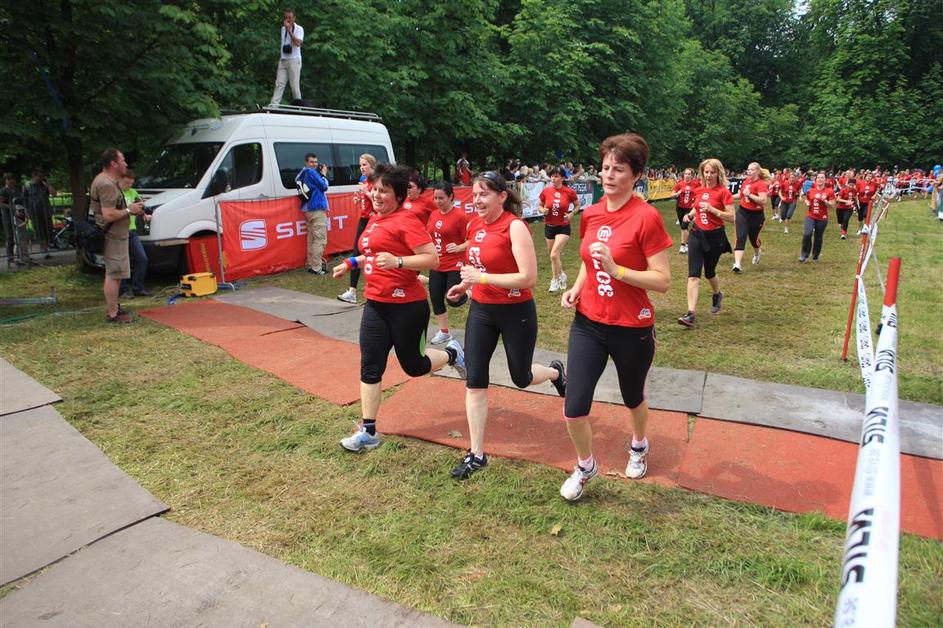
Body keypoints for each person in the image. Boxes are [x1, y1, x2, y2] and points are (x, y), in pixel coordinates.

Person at [558, 133, 673, 501]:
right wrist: (578, 286)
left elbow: (663, 281)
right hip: (588, 323)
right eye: (605, 167)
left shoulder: (646, 217)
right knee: (574, 407)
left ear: (636, 175)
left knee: (632, 397)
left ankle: (639, 444)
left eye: (618, 169)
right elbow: (588, 260)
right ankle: (585, 465)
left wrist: (617, 270)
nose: (608, 175)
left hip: (631, 327)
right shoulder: (591, 213)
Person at [332, 163, 465, 452]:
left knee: (414, 366)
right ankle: (368, 431)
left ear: (399, 195)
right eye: (374, 189)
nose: (376, 195)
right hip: (375, 304)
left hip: (407, 307)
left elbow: (432, 259)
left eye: (384, 191)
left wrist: (399, 262)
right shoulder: (374, 219)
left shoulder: (407, 221)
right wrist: (351, 263)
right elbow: (372, 253)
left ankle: (452, 353)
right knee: (370, 365)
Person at [444, 171, 565, 480]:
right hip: (482, 311)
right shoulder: (474, 226)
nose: (477, 200)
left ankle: (555, 373)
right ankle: (476, 453)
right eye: (474, 194)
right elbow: (478, 266)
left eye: (484, 194)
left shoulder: (515, 227)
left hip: (516, 312)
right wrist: (466, 287)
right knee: (475, 381)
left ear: (501, 196)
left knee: (521, 377)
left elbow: (528, 278)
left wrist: (481, 279)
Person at [677, 158, 735, 329]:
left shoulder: (723, 192)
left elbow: (732, 217)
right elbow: (697, 207)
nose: (709, 175)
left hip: (715, 237)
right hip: (697, 234)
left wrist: (713, 210)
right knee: (694, 275)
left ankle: (717, 294)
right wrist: (690, 215)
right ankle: (690, 314)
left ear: (718, 173)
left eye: (712, 172)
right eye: (706, 172)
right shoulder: (699, 189)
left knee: (709, 272)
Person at [91, 148, 147, 323]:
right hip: (112, 235)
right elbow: (108, 214)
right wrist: (130, 210)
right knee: (114, 274)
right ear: (113, 163)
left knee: (116, 274)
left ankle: (114, 307)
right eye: (122, 160)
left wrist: (133, 210)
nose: (125, 163)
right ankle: (113, 313)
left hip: (117, 234)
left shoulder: (108, 181)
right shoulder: (106, 184)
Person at [426, 181, 470, 344]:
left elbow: (472, 240)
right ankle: (444, 332)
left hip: (455, 263)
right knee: (436, 298)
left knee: (452, 299)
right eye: (435, 198)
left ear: (451, 197)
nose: (438, 201)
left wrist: (459, 247)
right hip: (437, 263)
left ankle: (470, 293)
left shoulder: (460, 216)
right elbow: (429, 235)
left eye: (441, 198)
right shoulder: (433, 214)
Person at [338, 154, 376, 304]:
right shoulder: (363, 180)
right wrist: (359, 199)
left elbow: (380, 201)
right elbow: (365, 201)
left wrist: (367, 193)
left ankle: (378, 290)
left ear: (372, 166)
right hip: (363, 219)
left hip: (375, 221)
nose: (361, 167)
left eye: (365, 164)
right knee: (356, 252)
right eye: (360, 165)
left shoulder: (378, 181)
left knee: (375, 254)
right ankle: (352, 292)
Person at [538, 167, 580, 293]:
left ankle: (555, 281)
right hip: (549, 226)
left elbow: (577, 205)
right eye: (552, 176)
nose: (553, 178)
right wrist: (542, 210)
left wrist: (572, 214)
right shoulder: (546, 191)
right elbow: (539, 205)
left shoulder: (569, 192)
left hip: (563, 226)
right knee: (554, 257)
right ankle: (562, 275)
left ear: (562, 177)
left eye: (556, 176)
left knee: (554, 255)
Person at [118, 170, 151, 297]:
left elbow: (141, 208)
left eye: (131, 183)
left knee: (142, 258)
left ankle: (138, 287)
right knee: (122, 261)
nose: (129, 186)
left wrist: (144, 214)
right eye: (127, 183)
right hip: (119, 230)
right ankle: (123, 290)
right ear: (120, 180)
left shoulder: (133, 192)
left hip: (132, 230)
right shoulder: (115, 193)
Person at [731, 162, 769, 272]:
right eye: (748, 170)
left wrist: (750, 195)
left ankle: (757, 253)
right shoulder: (746, 181)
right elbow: (740, 195)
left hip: (756, 216)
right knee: (741, 237)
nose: (749, 172)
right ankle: (737, 264)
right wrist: (728, 198)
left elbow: (763, 200)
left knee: (754, 240)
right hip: (742, 213)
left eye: (752, 170)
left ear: (757, 171)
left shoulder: (761, 184)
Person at [295, 153, 329, 274]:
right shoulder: (311, 172)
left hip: (307, 209)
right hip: (316, 208)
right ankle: (316, 268)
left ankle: (311, 265)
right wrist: (323, 174)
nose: (314, 164)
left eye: (316, 162)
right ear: (306, 162)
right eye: (311, 162)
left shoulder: (301, 173)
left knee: (311, 239)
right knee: (320, 239)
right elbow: (324, 186)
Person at [269, 8, 304, 106]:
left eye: (290, 17)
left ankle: (299, 107)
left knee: (294, 86)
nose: (288, 20)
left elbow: (298, 43)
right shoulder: (283, 29)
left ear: (294, 18)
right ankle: (273, 106)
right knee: (279, 84)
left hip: (294, 60)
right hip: (283, 60)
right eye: (286, 17)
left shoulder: (299, 29)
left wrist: (289, 30)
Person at [799, 172, 835, 263]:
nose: (820, 179)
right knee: (807, 234)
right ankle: (804, 254)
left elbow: (832, 205)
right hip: (810, 216)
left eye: (822, 178)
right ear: (815, 180)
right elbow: (803, 195)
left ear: (825, 180)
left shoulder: (829, 191)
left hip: (822, 218)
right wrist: (806, 201)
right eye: (818, 177)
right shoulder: (811, 190)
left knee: (818, 237)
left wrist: (825, 202)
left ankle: (815, 255)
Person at [24, 169, 55, 257]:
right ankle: (43, 250)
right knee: (39, 231)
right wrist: (27, 212)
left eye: (42, 176)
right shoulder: (28, 186)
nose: (41, 178)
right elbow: (24, 199)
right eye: (39, 176)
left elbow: (54, 194)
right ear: (34, 176)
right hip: (35, 211)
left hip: (46, 211)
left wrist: (47, 184)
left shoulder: (44, 185)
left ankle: (47, 248)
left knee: (48, 231)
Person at [670, 168, 698, 254]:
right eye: (686, 174)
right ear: (683, 175)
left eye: (689, 174)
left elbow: (701, 192)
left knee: (683, 225)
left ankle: (682, 245)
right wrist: (677, 193)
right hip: (680, 207)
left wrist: (696, 202)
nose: (687, 175)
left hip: (690, 208)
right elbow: (671, 195)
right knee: (684, 227)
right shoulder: (679, 184)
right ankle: (688, 243)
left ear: (692, 176)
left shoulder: (696, 184)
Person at [1, 173, 22, 266]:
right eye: (9, 179)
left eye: (12, 179)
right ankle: (10, 257)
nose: (11, 181)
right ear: (5, 180)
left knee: (20, 235)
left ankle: (21, 255)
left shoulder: (16, 190)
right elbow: (1, 203)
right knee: (10, 236)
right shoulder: (3, 191)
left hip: (19, 215)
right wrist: (12, 207)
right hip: (8, 215)